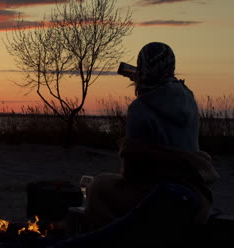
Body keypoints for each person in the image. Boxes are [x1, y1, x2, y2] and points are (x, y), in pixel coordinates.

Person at [83, 42, 219, 230]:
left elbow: (132, 174)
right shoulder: (188, 98)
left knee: (98, 186)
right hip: (197, 196)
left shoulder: (139, 109)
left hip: (161, 200)